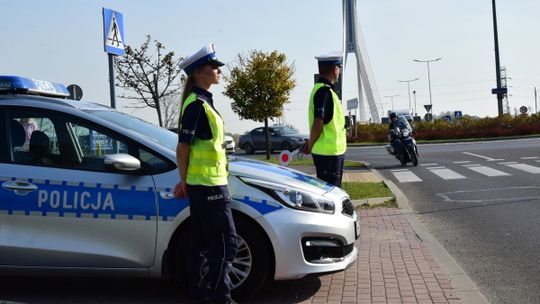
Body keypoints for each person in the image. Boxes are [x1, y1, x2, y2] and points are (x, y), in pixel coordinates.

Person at [173, 43, 238, 304]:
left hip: (206, 185)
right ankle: (222, 298)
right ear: (199, 72)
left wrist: (187, 180)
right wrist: (184, 180)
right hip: (209, 187)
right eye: (214, 67)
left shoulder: (203, 102)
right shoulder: (197, 105)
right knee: (226, 244)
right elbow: (183, 146)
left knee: (200, 244)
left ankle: (197, 294)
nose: (219, 70)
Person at [304, 52, 347, 187]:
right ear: (335, 70)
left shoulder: (323, 90)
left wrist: (310, 143)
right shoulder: (324, 92)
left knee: (331, 194)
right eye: (338, 68)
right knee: (330, 196)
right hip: (328, 155)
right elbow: (319, 121)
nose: (339, 71)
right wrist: (310, 144)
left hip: (330, 153)